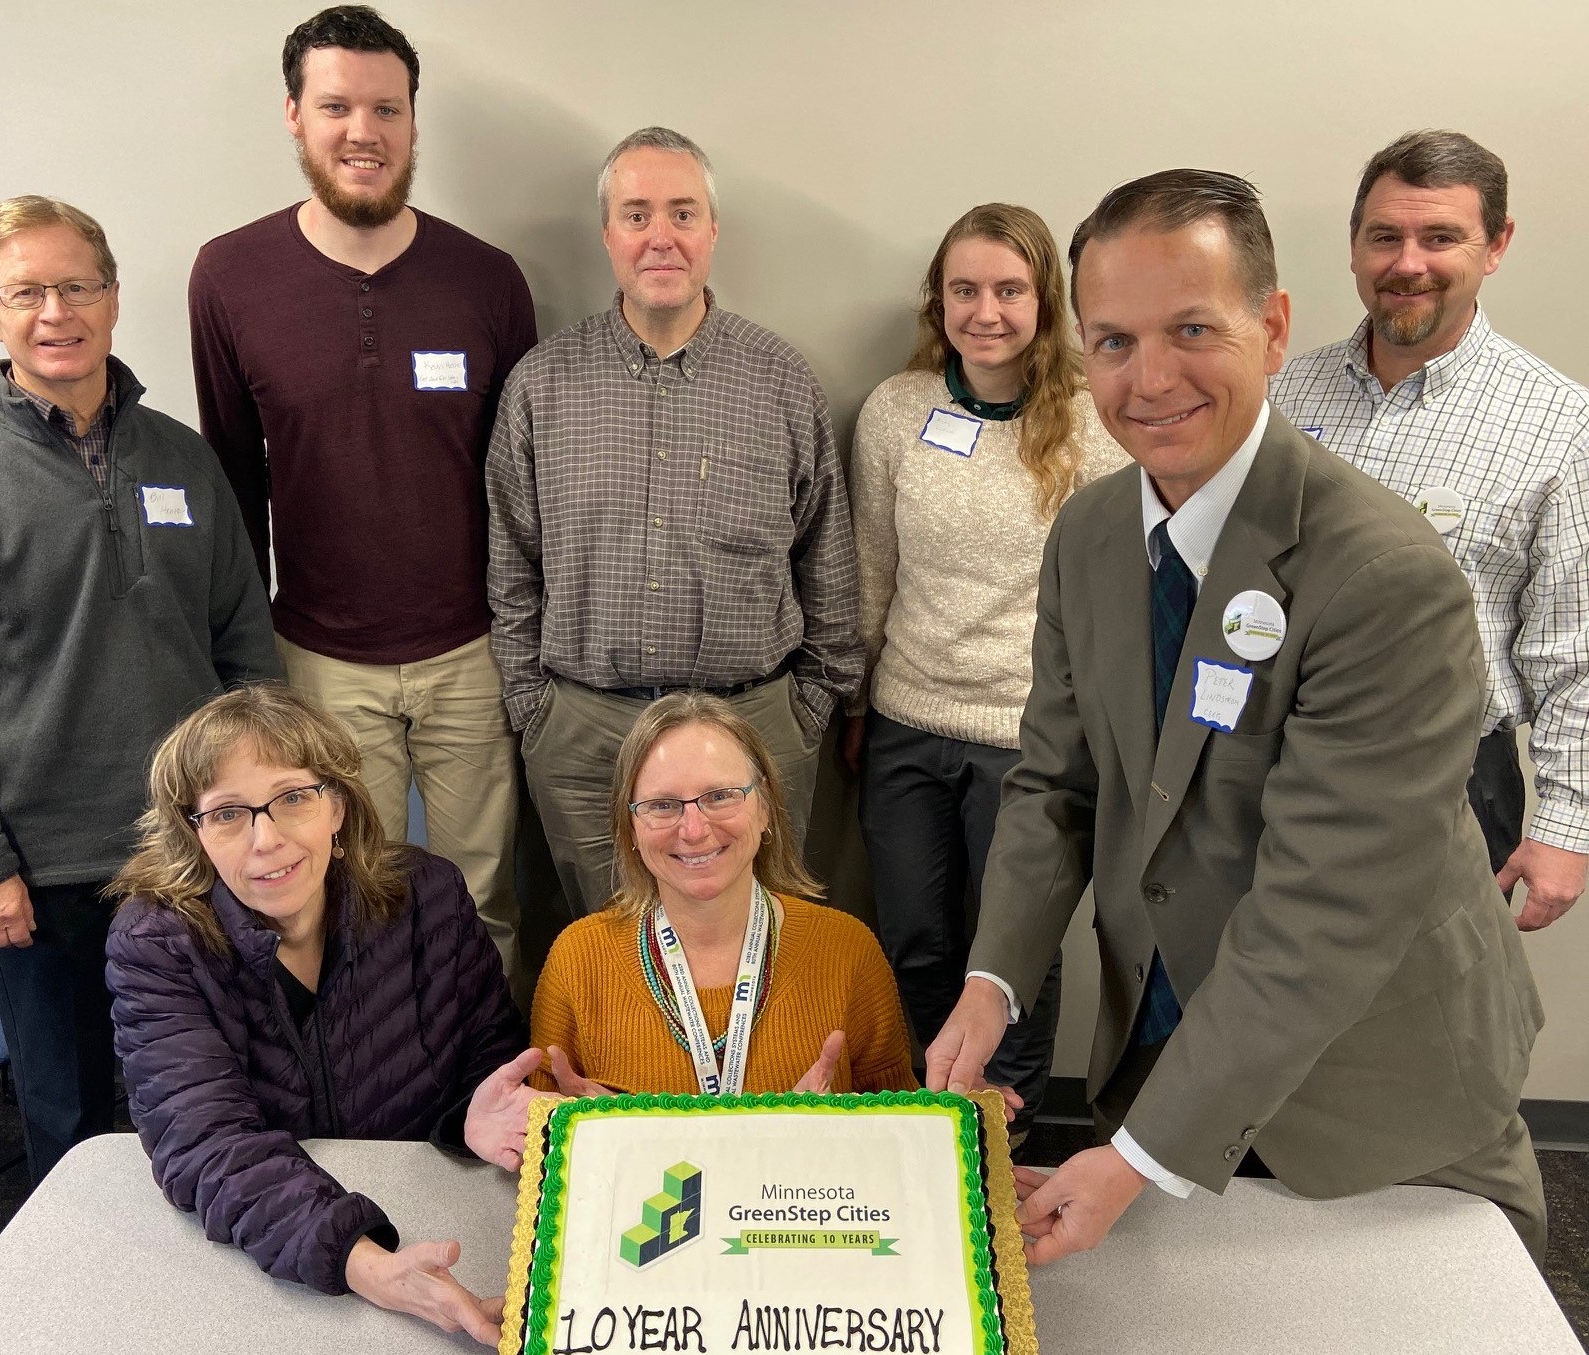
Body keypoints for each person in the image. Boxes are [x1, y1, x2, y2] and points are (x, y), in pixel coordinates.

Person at [926, 170, 1546, 1268]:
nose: (1150, 379)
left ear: (1273, 328)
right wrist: (995, 978)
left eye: (1191, 329)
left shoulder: (1381, 575)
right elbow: (1055, 783)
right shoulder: (1090, 535)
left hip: (1371, 1084)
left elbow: (1324, 911)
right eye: (1113, 342)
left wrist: (1133, 1157)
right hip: (1162, 1051)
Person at [0, 195, 278, 1185]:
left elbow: (245, 649)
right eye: (24, 291)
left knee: (223, 1088)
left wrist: (255, 814)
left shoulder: (183, 458)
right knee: (69, 1113)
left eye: (76, 286)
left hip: (192, 846)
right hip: (43, 867)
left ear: (112, 297)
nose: (55, 312)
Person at [189, 5, 537, 971]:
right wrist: (247, 662)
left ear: (413, 121)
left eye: (387, 109)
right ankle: (373, 1067)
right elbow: (231, 479)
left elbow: (521, 485)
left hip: (471, 650)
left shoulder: (487, 279)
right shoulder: (229, 276)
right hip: (319, 658)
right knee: (348, 904)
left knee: (482, 900)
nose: (363, 132)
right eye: (336, 106)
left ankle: (487, 1062)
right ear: (293, 115)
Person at [487, 126, 862, 920]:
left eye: (682, 214)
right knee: (609, 954)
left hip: (754, 728)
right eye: (637, 215)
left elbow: (826, 558)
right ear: (607, 234)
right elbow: (512, 563)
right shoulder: (541, 385)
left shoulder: (780, 381)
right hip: (587, 736)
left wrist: (810, 707)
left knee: (756, 947)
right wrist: (532, 706)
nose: (660, 236)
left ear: (712, 231)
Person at [106, 684, 535, 1343]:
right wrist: (364, 1262)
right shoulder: (157, 944)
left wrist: (472, 1112)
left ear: (337, 804)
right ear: (194, 833)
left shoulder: (428, 893)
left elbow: (488, 1049)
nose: (266, 839)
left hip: (438, 1213)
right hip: (275, 1263)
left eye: (293, 798)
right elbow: (206, 1142)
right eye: (227, 814)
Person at [844, 203, 1128, 1117]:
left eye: (1009, 290)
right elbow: (871, 570)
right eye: (964, 290)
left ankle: (1007, 1130)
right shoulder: (896, 411)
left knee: (1011, 958)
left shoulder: (1094, 424)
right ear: (938, 301)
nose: (986, 312)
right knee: (914, 943)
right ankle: (928, 1115)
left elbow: (1119, 597)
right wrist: (856, 705)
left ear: (1045, 300)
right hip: (904, 726)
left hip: (1029, 740)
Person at [1271, 130, 1589, 931]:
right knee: (1255, 994)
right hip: (1270, 763)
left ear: (1495, 246)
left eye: (1440, 237)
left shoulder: (1560, 424)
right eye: (1384, 236)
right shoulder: (1283, 396)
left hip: (1447, 784)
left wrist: (1565, 825)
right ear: (1353, 246)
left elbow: (1575, 650)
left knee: (1422, 1008)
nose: (1407, 263)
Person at [527, 693, 917, 1097]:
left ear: (765, 806)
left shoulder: (848, 952)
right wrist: (588, 1127)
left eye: (720, 796)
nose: (694, 830)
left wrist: (820, 1128)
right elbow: (538, 1129)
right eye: (662, 805)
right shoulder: (578, 961)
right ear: (631, 830)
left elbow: (903, 1126)